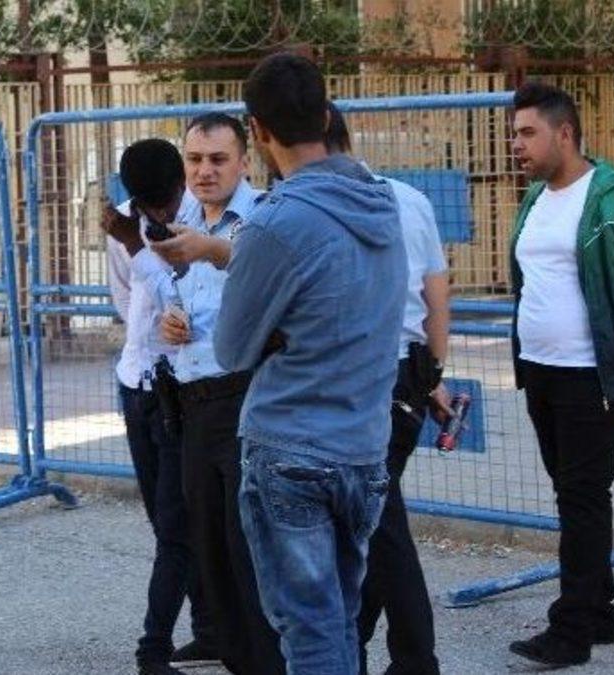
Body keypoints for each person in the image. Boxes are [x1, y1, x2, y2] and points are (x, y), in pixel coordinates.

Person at [213, 53, 407, 674]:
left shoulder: (274, 223)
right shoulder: (383, 205)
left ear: (256, 131)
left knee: (311, 633)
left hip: (292, 449)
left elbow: (230, 348)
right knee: (339, 621)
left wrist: (281, 335)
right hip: (363, 447)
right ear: (326, 115)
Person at [506, 81, 614, 667]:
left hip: (592, 375)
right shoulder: (535, 198)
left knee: (582, 496)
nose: (516, 145)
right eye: (514, 134)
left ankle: (571, 631)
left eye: (527, 133)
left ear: (565, 133)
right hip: (540, 370)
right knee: (574, 492)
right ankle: (600, 611)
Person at [150, 114, 284, 675]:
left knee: (251, 548)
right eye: (195, 160)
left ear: (244, 162)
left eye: (218, 160)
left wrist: (210, 250)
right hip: (192, 401)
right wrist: (170, 321)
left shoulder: (264, 220)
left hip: (248, 398)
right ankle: (237, 658)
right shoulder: (180, 224)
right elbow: (176, 299)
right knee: (211, 552)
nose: (204, 171)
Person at [324, 105, 449, 675]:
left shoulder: (318, 207)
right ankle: (356, 644)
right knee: (374, 517)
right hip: (406, 377)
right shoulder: (409, 199)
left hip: (364, 380)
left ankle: (414, 659)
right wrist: (433, 376)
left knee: (381, 524)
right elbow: (436, 297)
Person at [101, 137, 215, 675]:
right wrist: (134, 243)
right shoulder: (125, 223)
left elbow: (189, 298)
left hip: (185, 388)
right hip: (137, 383)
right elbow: (128, 303)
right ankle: (209, 629)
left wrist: (139, 248)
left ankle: (154, 647)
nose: (162, 215)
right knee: (165, 521)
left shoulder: (202, 219)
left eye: (167, 203)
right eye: (151, 208)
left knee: (179, 524)